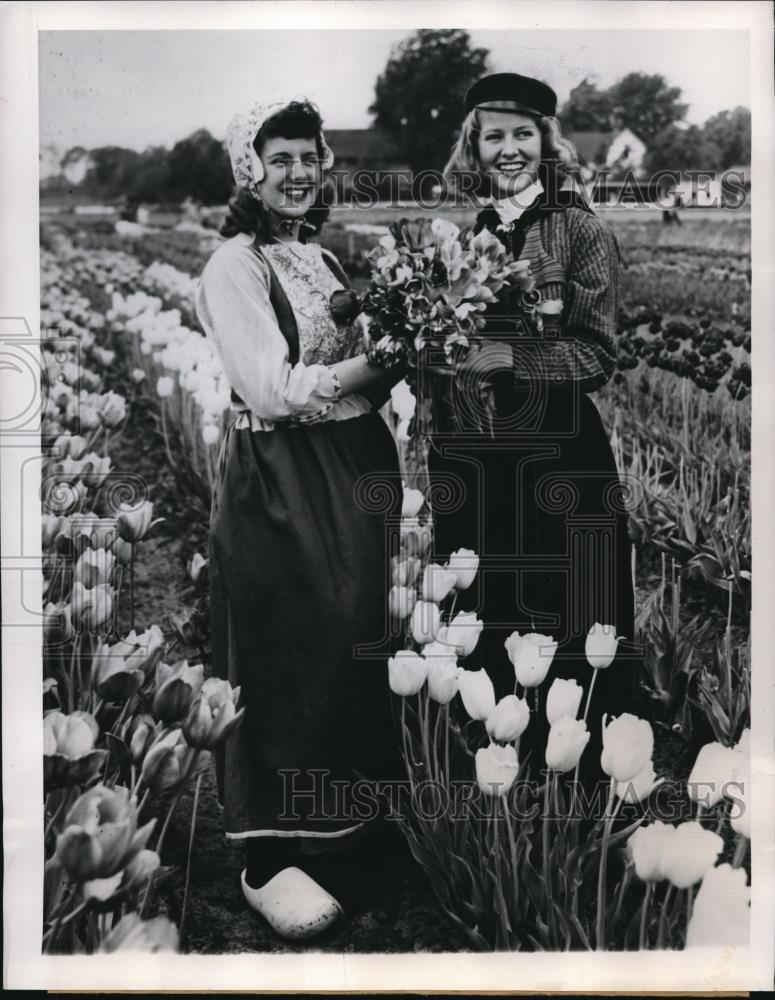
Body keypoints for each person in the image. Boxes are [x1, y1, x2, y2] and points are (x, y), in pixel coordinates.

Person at [196, 99, 404, 941]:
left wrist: (404, 350)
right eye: (278, 158)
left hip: (354, 465)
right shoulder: (234, 265)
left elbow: (357, 378)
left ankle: (346, 830)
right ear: (250, 169)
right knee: (288, 639)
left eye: (308, 156)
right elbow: (272, 391)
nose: (297, 172)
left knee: (350, 636)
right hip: (283, 476)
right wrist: (375, 358)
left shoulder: (318, 255)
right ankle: (265, 852)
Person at [434, 73, 637, 792]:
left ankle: (578, 775)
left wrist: (510, 356)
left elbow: (597, 351)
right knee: (494, 600)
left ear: (546, 142)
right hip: (484, 454)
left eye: (523, 134)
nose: (509, 149)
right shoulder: (472, 234)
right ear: (474, 147)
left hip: (560, 451)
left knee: (569, 603)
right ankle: (504, 766)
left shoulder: (577, 230)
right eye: (494, 136)